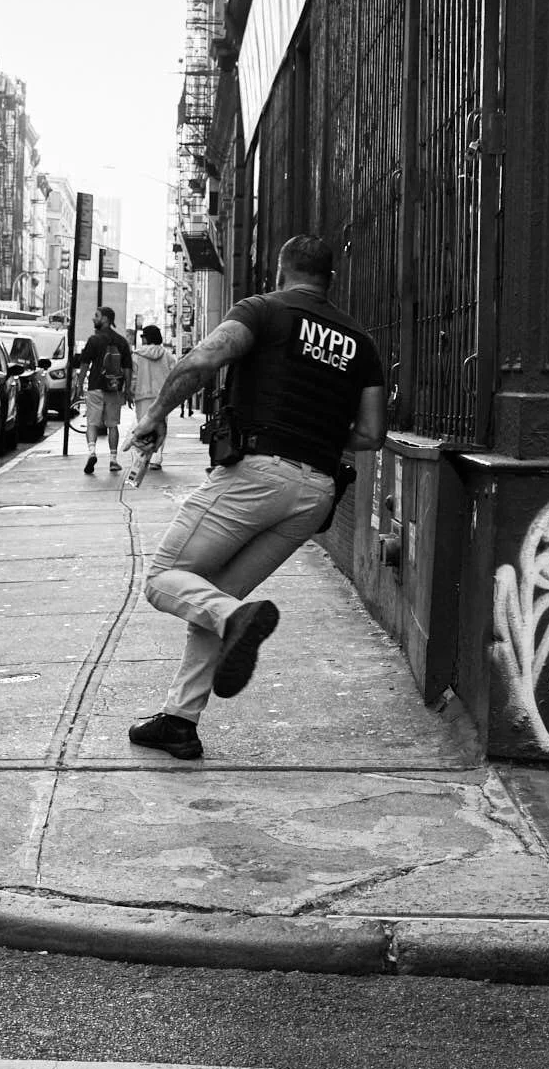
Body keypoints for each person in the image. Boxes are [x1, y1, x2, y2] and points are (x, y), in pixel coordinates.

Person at [123, 236, 387, 760]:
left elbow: (204, 360)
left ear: (281, 270)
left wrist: (154, 416)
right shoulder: (361, 341)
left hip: (256, 474)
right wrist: (317, 434)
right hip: (316, 492)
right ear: (328, 277)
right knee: (212, 595)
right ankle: (180, 721)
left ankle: (234, 622)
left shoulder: (264, 311)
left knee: (163, 580)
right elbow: (373, 432)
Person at [74, 306, 133, 475]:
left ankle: (92, 452)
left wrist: (79, 383)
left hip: (95, 387)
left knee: (92, 423)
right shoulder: (122, 341)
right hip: (114, 389)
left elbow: (85, 364)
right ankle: (113, 460)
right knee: (112, 425)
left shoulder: (94, 340)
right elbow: (127, 367)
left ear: (105, 319)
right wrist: (127, 389)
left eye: (97, 316)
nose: (94, 319)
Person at [128, 325, 176, 470]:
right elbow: (173, 376)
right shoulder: (167, 356)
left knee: (143, 427)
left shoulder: (136, 355)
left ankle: (143, 457)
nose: (142, 339)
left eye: (143, 336)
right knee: (160, 427)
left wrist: (130, 392)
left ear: (147, 338)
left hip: (142, 396)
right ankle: (156, 458)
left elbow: (134, 377)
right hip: (161, 397)